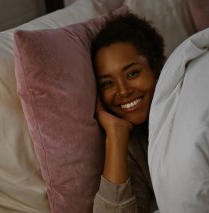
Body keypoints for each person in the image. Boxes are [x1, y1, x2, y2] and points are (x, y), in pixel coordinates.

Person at [91, 12, 165, 213]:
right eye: (108, 83)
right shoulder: (134, 148)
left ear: (156, 68)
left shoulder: (188, 105)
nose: (123, 91)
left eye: (132, 73)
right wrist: (116, 135)